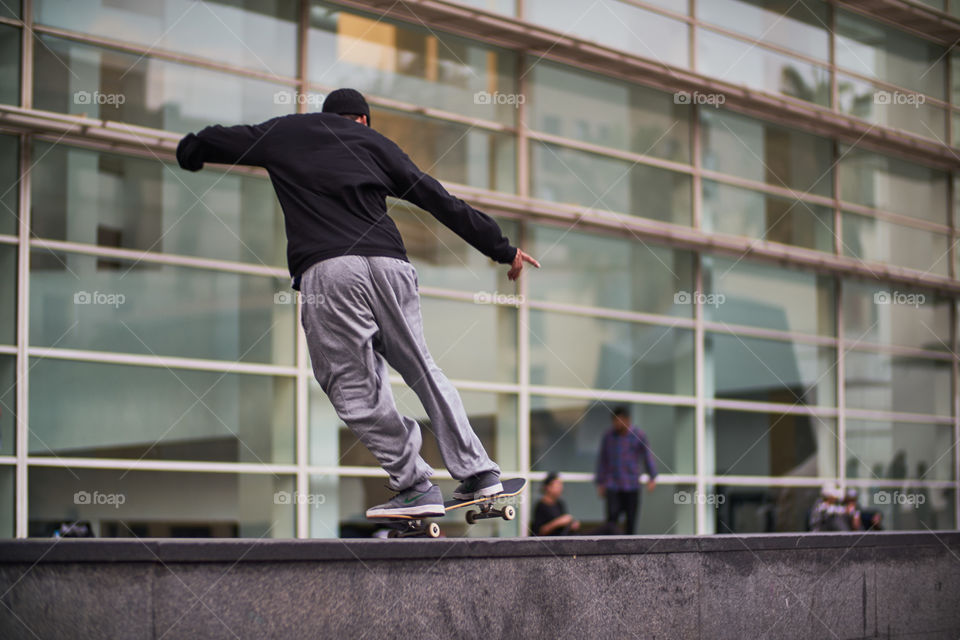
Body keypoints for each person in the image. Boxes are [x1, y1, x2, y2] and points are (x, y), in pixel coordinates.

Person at [176, 88, 540, 518]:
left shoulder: (288, 131)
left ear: (326, 115)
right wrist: (501, 248)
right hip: (391, 265)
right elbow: (439, 200)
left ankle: (414, 484)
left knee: (353, 385)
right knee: (422, 367)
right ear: (363, 120)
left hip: (332, 270)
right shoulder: (377, 144)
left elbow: (221, 138)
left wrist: (191, 151)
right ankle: (480, 471)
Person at [594, 406, 657, 534]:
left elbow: (647, 456)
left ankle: (629, 550)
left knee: (631, 521)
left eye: (620, 421)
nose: (617, 424)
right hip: (613, 484)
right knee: (612, 519)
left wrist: (652, 476)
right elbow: (603, 459)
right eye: (615, 421)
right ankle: (610, 548)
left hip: (631, 484)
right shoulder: (609, 436)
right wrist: (600, 482)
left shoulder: (638, 435)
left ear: (627, 420)